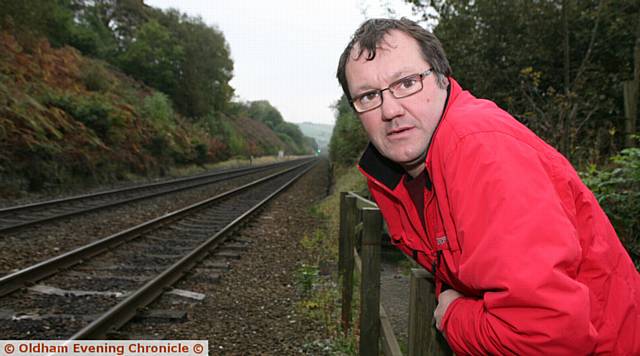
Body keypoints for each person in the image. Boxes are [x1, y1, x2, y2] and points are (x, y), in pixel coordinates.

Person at [337, 17, 640, 355]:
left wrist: (453, 314)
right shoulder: (395, 175)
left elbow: (549, 336)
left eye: (407, 83)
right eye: (368, 97)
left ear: (441, 77)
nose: (390, 109)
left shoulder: (480, 151)